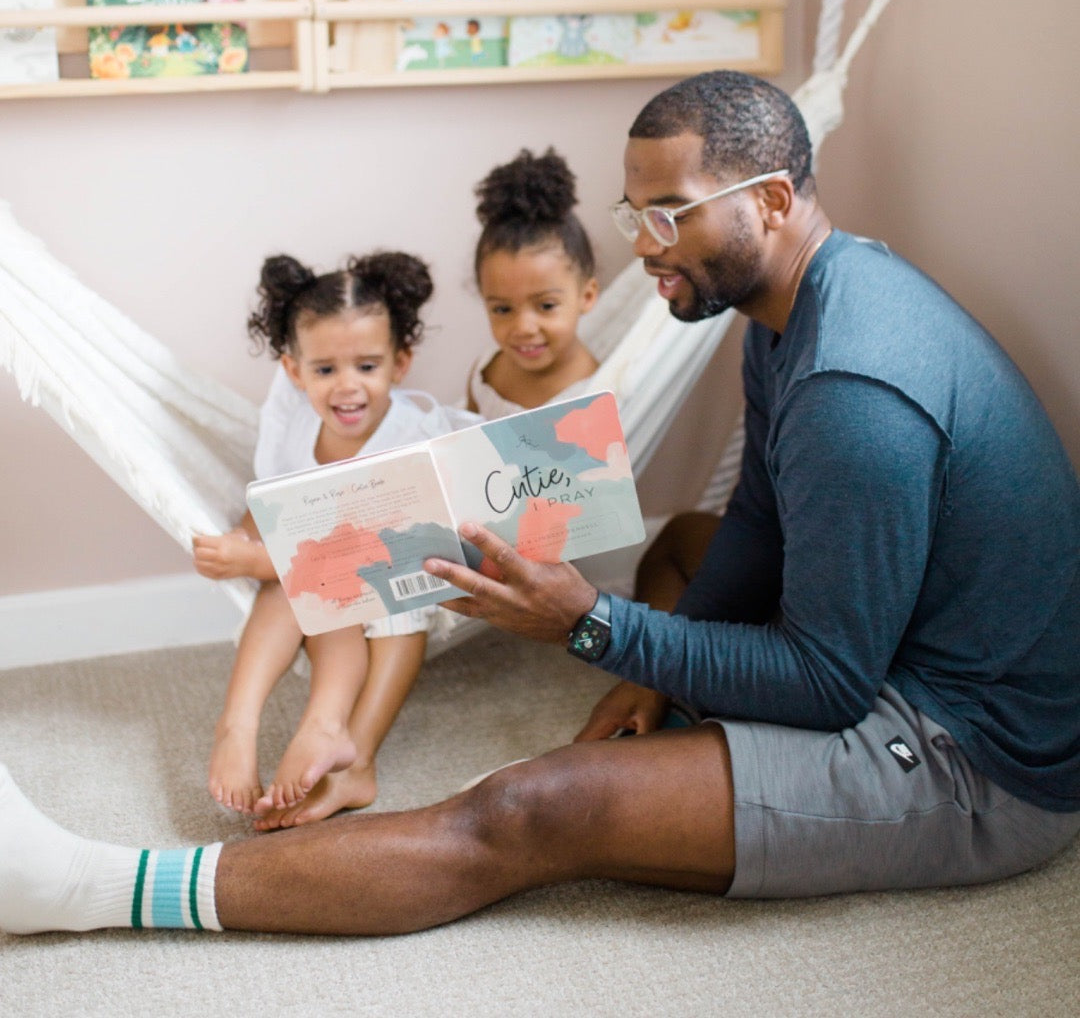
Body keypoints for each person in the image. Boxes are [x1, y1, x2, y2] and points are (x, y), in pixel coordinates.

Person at [2, 71, 1078, 938]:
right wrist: (658, 669)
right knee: (692, 546)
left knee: (534, 806)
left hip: (970, 757)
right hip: (909, 642)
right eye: (633, 210)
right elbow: (757, 519)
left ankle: (98, 889)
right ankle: (682, 726)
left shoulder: (855, 389)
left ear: (774, 202)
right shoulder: (794, 303)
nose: (643, 246)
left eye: (670, 215)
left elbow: (832, 683)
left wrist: (592, 626)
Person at [192, 250, 475, 829]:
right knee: (297, 587)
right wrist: (243, 544)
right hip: (325, 590)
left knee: (369, 602)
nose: (348, 388)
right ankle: (240, 725)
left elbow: (441, 520)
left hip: (410, 584)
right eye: (325, 371)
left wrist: (264, 556)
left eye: (367, 367)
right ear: (294, 373)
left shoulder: (418, 431)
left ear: (400, 363)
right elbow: (274, 510)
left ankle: (352, 750)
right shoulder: (291, 425)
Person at [466, 146, 600, 418]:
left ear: (586, 296)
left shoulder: (594, 397)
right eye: (502, 309)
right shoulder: (485, 373)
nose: (524, 328)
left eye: (546, 305)